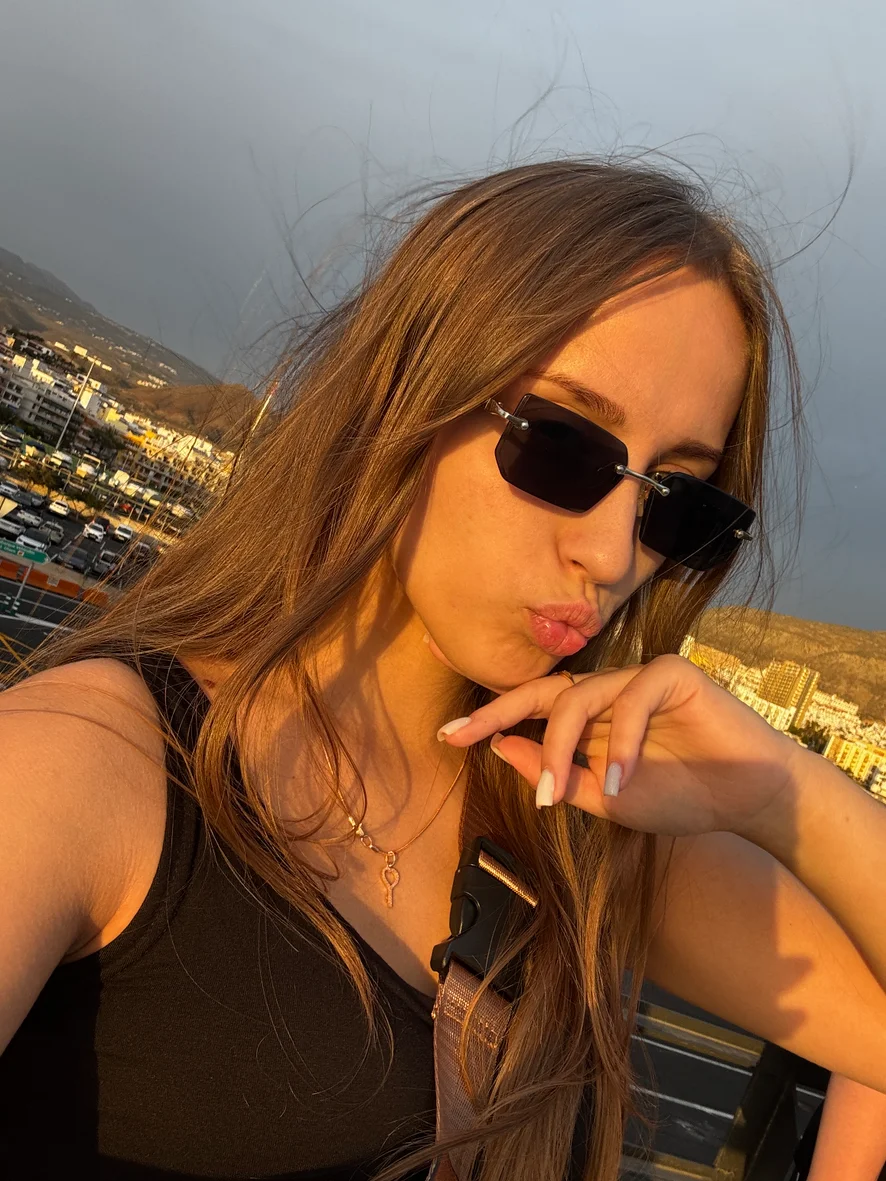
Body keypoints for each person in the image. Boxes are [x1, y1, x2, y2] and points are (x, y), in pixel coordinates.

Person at [0, 159, 884, 1181]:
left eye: (676, 503)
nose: (612, 554)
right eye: (562, 446)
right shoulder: (87, 766)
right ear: (407, 394)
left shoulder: (579, 824)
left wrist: (779, 790)